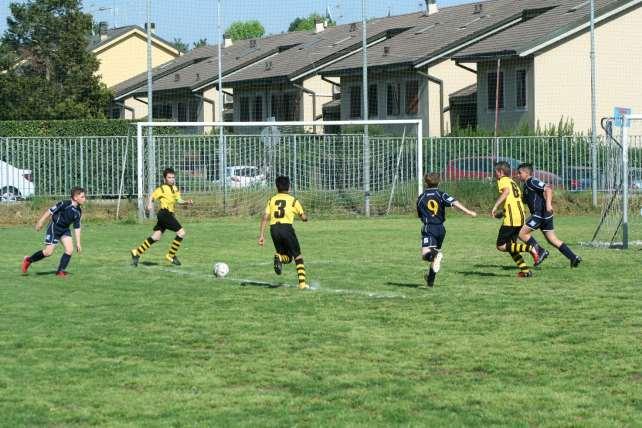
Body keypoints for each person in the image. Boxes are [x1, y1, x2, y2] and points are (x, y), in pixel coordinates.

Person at [417, 173, 477, 288]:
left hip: (429, 227)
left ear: (426, 183)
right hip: (441, 228)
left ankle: (437, 255)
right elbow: (454, 202)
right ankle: (430, 281)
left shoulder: (421, 197)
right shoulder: (441, 194)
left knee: (426, 255)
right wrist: (468, 211)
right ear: (439, 182)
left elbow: (420, 214)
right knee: (434, 257)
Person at [517, 163, 581, 267]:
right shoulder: (526, 185)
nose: (518, 175)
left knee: (521, 233)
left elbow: (548, 189)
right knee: (552, 240)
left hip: (540, 214)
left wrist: (548, 204)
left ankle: (540, 251)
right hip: (544, 215)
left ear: (526, 173)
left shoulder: (532, 181)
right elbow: (528, 199)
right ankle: (573, 257)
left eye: (519, 173)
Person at [130, 167, 192, 266]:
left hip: (168, 214)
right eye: (169, 177)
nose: (172, 179)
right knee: (181, 233)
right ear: (165, 179)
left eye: (173, 177)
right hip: (164, 213)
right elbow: (152, 196)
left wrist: (186, 202)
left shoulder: (175, 188)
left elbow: (179, 200)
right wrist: (150, 204)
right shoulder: (162, 188)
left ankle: (136, 252)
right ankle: (171, 255)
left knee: (156, 237)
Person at [258, 175, 309, 290]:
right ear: (289, 187)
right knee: (298, 255)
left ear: (277, 187)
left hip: (274, 229)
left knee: (287, 257)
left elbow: (265, 217)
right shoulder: (293, 200)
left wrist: (261, 235)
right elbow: (303, 217)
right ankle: (302, 284)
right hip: (286, 228)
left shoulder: (272, 199)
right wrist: (305, 218)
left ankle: (280, 258)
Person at [22, 187, 86, 277]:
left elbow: (77, 227)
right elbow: (50, 211)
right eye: (82, 197)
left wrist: (78, 243)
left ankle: (60, 271)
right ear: (75, 197)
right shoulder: (64, 204)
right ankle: (28, 260)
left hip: (65, 230)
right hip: (54, 227)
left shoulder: (79, 211)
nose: (85, 199)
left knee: (69, 250)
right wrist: (41, 222)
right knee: (48, 252)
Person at [491, 161, 540, 277]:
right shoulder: (513, 182)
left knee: (501, 245)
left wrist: (495, 206)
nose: (494, 174)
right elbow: (513, 200)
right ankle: (526, 271)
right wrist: (503, 212)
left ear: (500, 172)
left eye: (495, 172)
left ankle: (530, 248)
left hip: (512, 218)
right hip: (519, 216)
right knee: (511, 247)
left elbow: (506, 192)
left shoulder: (502, 180)